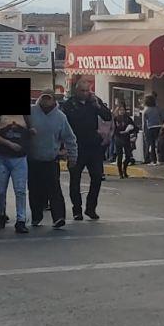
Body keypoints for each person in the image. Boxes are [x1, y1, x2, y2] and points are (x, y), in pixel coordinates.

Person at [61, 79, 111, 220]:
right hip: (76, 146)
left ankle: (91, 208)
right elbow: (63, 125)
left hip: (93, 146)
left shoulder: (94, 101)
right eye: (82, 91)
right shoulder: (69, 104)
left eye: (87, 90)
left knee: (97, 177)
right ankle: (77, 210)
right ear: (76, 91)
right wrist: (63, 148)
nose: (85, 93)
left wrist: (97, 106)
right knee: (75, 179)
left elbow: (107, 116)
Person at [28, 89, 77, 228]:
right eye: (44, 97)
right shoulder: (30, 112)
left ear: (54, 100)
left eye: (49, 98)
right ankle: (36, 216)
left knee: (54, 189)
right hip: (33, 159)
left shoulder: (60, 117)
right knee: (34, 190)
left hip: (51, 159)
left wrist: (72, 157)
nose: (46, 100)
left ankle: (59, 217)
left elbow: (70, 138)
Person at [0, 109, 31, 234]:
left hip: (20, 157)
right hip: (2, 156)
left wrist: (31, 133)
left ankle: (21, 220)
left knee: (20, 190)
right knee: (0, 190)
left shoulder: (25, 114)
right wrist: (9, 144)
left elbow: (32, 128)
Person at [112, 105, 137, 178]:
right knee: (119, 156)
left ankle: (124, 169)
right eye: (120, 110)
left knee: (128, 156)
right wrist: (119, 132)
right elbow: (113, 129)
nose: (122, 111)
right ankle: (120, 173)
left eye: (123, 110)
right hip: (118, 138)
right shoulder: (115, 119)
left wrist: (130, 131)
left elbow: (134, 127)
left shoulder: (128, 118)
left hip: (126, 138)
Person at [141, 95, 163, 164]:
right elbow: (162, 117)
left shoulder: (145, 110)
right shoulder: (158, 109)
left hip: (150, 128)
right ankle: (160, 159)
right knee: (158, 144)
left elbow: (144, 123)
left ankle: (153, 160)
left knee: (152, 144)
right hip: (159, 127)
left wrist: (144, 132)